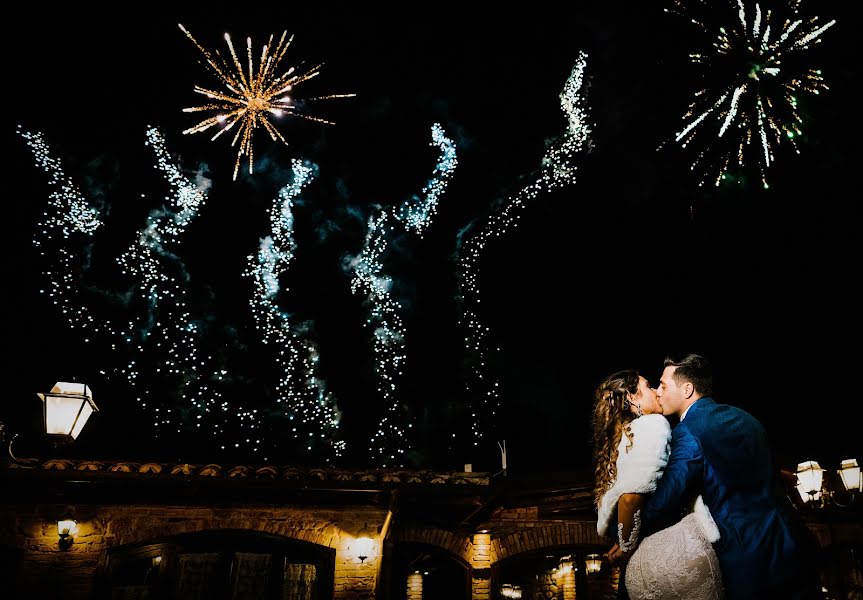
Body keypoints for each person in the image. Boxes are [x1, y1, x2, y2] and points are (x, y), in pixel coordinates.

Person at [640, 353, 822, 600]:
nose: (659, 392)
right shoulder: (748, 420)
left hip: (749, 563)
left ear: (687, 389)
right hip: (795, 546)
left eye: (663, 385)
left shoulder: (688, 431)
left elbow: (667, 497)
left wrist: (631, 528)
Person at [592, 369, 724, 600]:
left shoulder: (623, 438)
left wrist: (625, 543)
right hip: (672, 554)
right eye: (649, 386)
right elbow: (631, 497)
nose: (655, 391)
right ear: (633, 398)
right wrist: (626, 546)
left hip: (641, 567)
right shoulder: (653, 425)